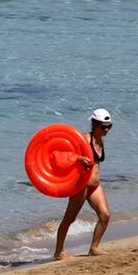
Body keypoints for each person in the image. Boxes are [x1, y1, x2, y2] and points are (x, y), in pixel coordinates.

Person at [54, 109, 113, 259]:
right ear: (94, 125)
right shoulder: (84, 139)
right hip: (81, 184)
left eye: (109, 126)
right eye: (103, 126)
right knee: (70, 218)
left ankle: (94, 248)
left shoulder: (101, 140)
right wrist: (79, 158)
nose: (106, 130)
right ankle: (58, 251)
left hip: (95, 185)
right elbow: (61, 154)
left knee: (105, 215)